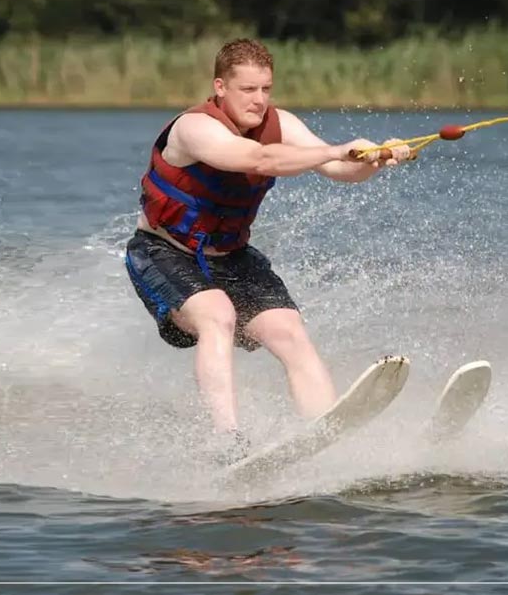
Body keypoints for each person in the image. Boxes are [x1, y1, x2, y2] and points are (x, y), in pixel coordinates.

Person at [124, 38, 415, 460]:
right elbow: (259, 160)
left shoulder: (282, 124)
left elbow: (339, 168)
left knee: (288, 330)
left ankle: (328, 437)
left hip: (231, 258)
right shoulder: (194, 128)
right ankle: (226, 443)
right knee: (218, 315)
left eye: (266, 89)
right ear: (220, 87)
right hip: (163, 253)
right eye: (247, 89)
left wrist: (374, 161)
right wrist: (335, 149)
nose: (259, 100)